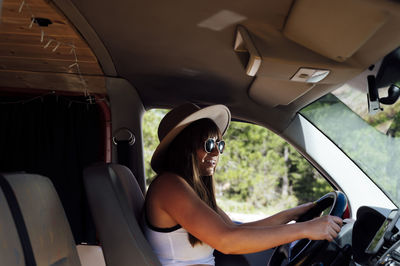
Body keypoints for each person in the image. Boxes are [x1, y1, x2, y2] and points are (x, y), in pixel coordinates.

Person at [144, 103, 343, 266]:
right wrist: (304, 229)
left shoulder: (189, 189)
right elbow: (227, 241)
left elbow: (234, 229)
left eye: (220, 145)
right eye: (209, 145)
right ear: (184, 147)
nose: (217, 153)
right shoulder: (169, 185)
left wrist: (292, 214)